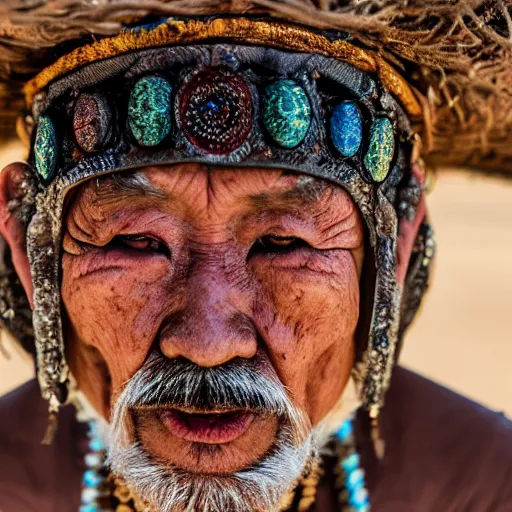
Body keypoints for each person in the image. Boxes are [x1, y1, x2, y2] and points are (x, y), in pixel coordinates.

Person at [0, 1, 510, 511]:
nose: (208, 343)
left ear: (392, 253)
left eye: (283, 244)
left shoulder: (485, 489)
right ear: (29, 250)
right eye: (136, 242)